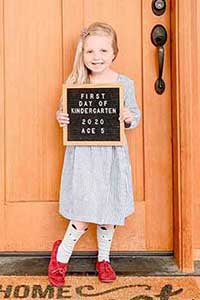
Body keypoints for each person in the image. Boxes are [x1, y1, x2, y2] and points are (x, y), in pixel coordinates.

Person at [48, 21, 141, 287]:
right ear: (82, 54)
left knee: (108, 211)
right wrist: (62, 118)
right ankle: (61, 256)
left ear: (113, 53)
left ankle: (104, 259)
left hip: (111, 156)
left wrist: (128, 117)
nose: (96, 57)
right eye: (90, 52)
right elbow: (64, 113)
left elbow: (134, 114)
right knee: (82, 212)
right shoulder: (76, 83)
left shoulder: (124, 83)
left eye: (102, 51)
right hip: (84, 158)